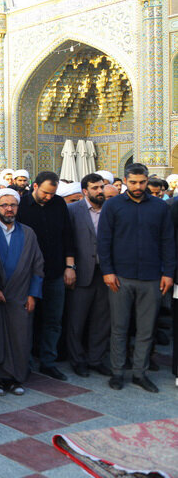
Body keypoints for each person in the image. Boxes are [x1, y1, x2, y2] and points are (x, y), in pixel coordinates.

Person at [97, 163, 175, 393]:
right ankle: (117, 372)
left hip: (152, 278)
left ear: (147, 181)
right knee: (119, 327)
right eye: (133, 182)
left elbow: (168, 241)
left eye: (142, 182)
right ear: (125, 181)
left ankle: (140, 373)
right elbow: (104, 240)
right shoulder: (113, 205)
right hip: (120, 277)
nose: (138, 187)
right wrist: (107, 271)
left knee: (146, 329)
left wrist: (168, 273)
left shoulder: (159, 207)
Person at [0, 188, 45, 395]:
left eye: (13, 205)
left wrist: (33, 294)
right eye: (4, 205)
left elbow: (38, 266)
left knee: (20, 338)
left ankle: (15, 379)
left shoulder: (28, 233)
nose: (9, 209)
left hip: (20, 296)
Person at [16, 171, 75, 381]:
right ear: (35, 186)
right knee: (28, 319)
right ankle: (26, 362)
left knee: (53, 320)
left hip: (55, 272)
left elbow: (67, 235)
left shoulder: (58, 204)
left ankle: (48, 361)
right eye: (45, 193)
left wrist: (70, 266)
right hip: (29, 275)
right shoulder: (21, 205)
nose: (49, 197)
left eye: (52, 193)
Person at [65, 174, 112, 378]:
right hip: (81, 272)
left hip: (106, 273)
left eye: (101, 187)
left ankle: (96, 359)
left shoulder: (111, 209)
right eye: (95, 188)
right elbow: (67, 241)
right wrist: (70, 267)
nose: (100, 191)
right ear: (85, 191)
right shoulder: (72, 210)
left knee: (102, 319)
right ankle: (78, 360)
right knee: (77, 319)